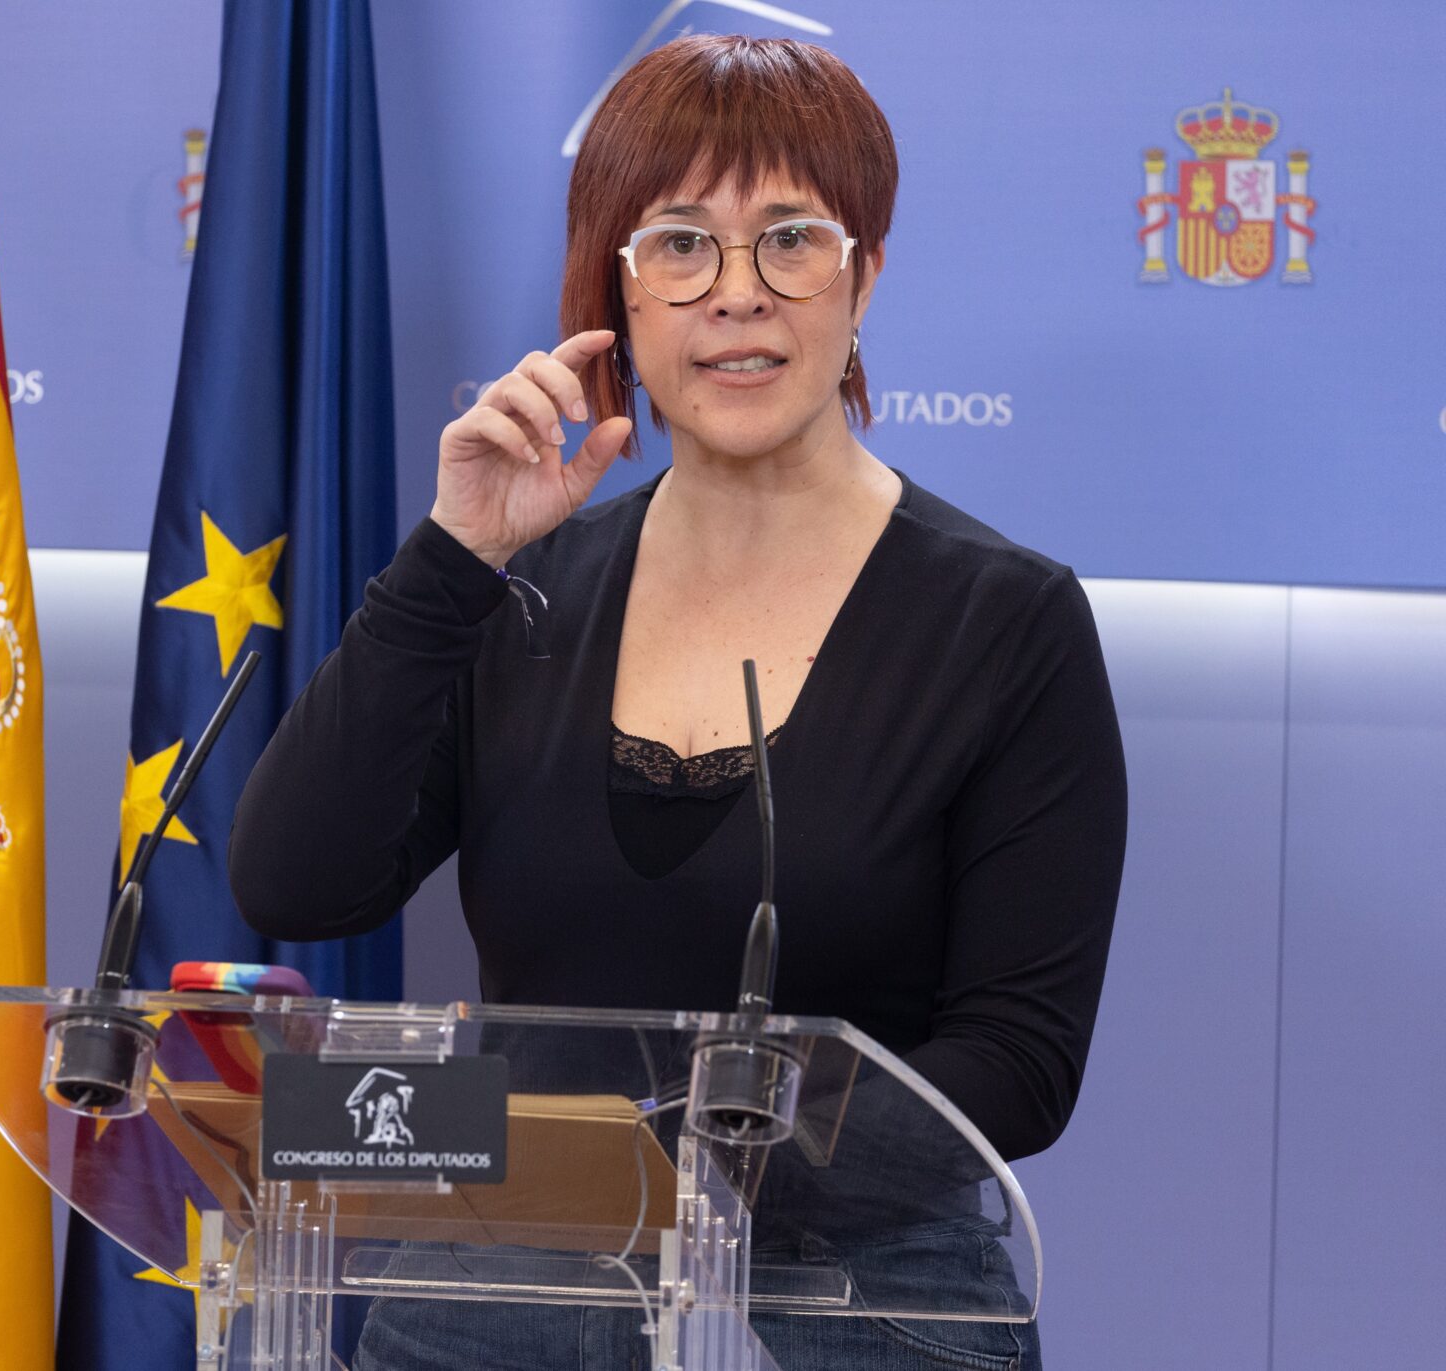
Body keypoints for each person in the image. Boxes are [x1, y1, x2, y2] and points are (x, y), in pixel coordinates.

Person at [230, 34, 1126, 1371]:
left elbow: (1019, 1061)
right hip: (504, 1296)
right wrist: (452, 559)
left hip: (863, 1302)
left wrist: (675, 1186)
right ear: (619, 291)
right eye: (682, 245)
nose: (738, 294)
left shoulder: (1007, 619)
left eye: (792, 241)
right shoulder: (520, 590)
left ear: (866, 277)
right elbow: (295, 881)